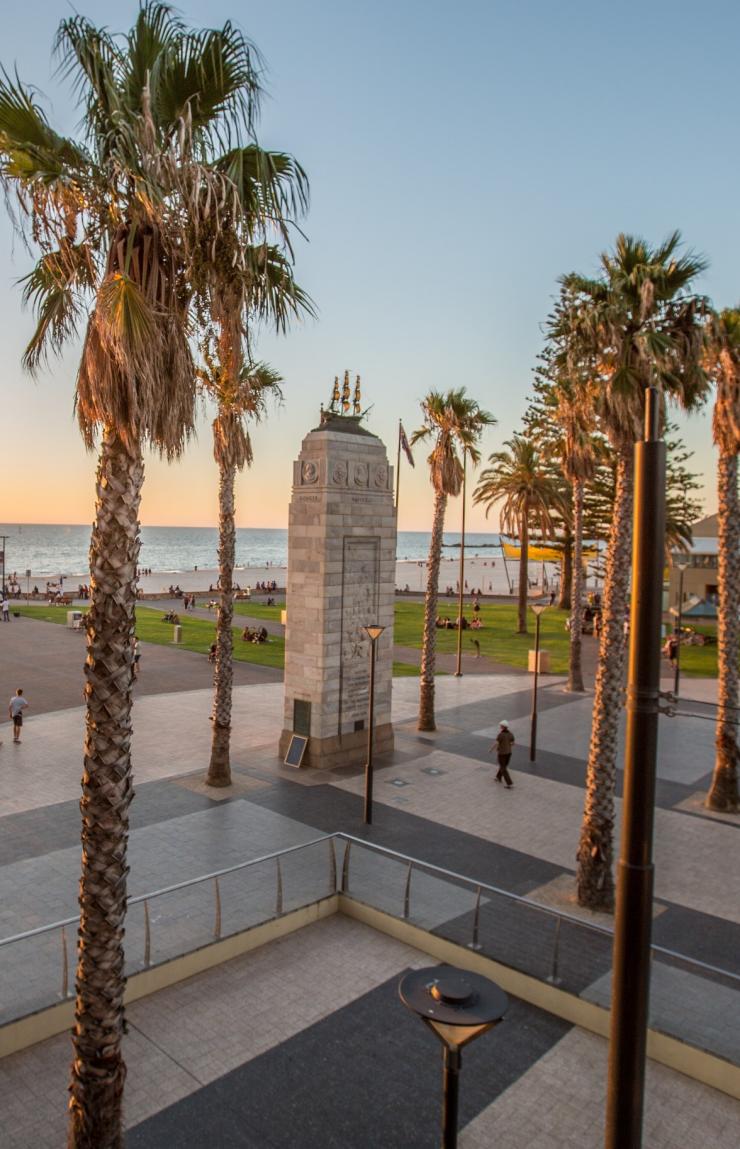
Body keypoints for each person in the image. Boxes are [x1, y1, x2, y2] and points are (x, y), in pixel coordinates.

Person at [491, 720, 515, 788]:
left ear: (503, 727)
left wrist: (491, 749)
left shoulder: (500, 734)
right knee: (503, 766)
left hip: (502, 754)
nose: (500, 726)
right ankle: (498, 777)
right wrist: (508, 745)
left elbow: (496, 743)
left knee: (503, 768)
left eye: (501, 725)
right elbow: (513, 743)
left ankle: (509, 783)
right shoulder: (510, 734)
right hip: (509, 753)